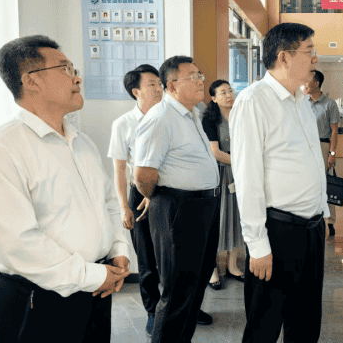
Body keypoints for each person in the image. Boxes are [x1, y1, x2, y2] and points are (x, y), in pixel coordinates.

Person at [0, 35, 130, 342]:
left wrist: (118, 250)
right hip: (38, 296)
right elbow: (17, 242)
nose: (77, 78)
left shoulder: (82, 142)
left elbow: (107, 202)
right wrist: (92, 275)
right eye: (65, 69)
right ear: (31, 80)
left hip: (95, 288)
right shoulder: (2, 148)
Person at [230, 22, 328, 343]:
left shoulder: (301, 100)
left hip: (311, 230)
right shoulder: (253, 101)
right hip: (278, 232)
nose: (315, 58)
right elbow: (247, 178)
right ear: (284, 57)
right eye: (309, 51)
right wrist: (257, 245)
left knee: (306, 322)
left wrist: (323, 214)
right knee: (265, 325)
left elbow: (313, 161)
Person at [134, 56, 220, 343]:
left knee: (196, 284)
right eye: (192, 77)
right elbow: (143, 175)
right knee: (178, 291)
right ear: (171, 85)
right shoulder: (161, 118)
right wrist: (160, 199)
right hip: (179, 209)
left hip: (203, 206)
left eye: (200, 74)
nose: (200, 81)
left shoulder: (192, 114)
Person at [107, 64, 163, 337]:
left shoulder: (171, 117)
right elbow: (119, 169)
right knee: (148, 259)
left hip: (169, 192)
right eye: (152, 84)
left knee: (176, 257)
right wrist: (124, 207)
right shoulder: (123, 124)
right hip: (139, 195)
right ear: (136, 91)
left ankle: (178, 307)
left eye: (160, 83)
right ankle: (153, 312)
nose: (159, 88)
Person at [202, 80, 245, 290]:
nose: (228, 95)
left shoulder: (241, 115)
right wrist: (242, 162)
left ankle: (232, 265)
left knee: (237, 217)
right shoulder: (209, 120)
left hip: (239, 174)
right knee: (216, 220)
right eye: (223, 92)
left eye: (230, 91)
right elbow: (215, 152)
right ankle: (212, 270)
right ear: (213, 98)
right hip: (219, 174)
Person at [303, 70, 341, 236]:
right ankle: (310, 216)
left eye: (307, 81)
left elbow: (334, 131)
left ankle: (330, 221)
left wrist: (332, 153)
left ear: (316, 83)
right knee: (307, 183)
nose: (304, 84)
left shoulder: (329, 104)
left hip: (323, 145)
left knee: (326, 184)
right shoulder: (303, 102)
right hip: (305, 146)